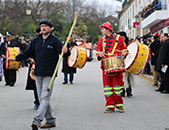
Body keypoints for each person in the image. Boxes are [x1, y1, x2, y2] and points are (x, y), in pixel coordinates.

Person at [8, 20, 70, 130]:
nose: (43, 28)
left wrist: (66, 51)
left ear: (51, 28)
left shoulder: (55, 41)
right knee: (43, 100)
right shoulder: (36, 41)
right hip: (38, 72)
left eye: (46, 26)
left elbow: (64, 55)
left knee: (45, 98)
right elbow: (27, 52)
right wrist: (16, 58)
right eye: (42, 26)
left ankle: (36, 120)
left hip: (49, 74)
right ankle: (51, 120)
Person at [96, 22, 128, 113]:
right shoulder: (101, 41)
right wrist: (100, 54)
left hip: (117, 66)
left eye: (103, 29)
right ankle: (110, 105)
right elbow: (98, 52)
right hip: (106, 67)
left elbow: (124, 49)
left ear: (108, 29)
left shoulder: (119, 38)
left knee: (118, 86)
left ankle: (119, 104)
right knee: (107, 87)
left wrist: (124, 53)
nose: (101, 30)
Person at [25, 27, 41, 110]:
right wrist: (29, 59)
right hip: (34, 68)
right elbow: (26, 54)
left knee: (43, 87)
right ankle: (37, 102)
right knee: (35, 86)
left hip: (44, 67)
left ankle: (43, 102)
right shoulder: (34, 43)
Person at [118, 31, 134, 97]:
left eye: (123, 36)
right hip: (120, 62)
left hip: (128, 62)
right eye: (120, 36)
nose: (122, 38)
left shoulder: (129, 44)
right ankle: (122, 91)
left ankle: (129, 91)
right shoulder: (117, 44)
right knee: (121, 78)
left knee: (128, 78)